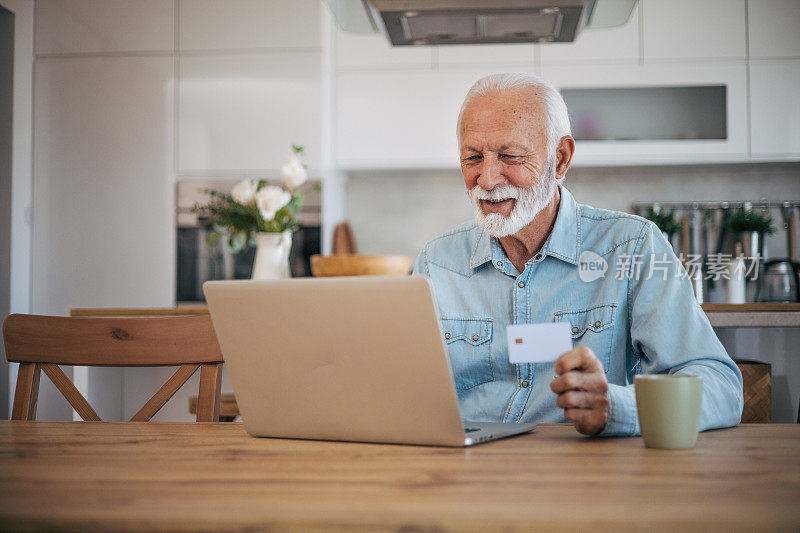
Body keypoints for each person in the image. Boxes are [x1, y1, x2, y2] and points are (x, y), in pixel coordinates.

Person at [413, 73, 743, 436]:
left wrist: (617, 407)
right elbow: (398, 388)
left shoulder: (632, 247)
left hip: (589, 475)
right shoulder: (435, 263)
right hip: (465, 476)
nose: (488, 179)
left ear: (560, 159)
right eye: (473, 157)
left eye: (510, 156)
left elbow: (721, 387)